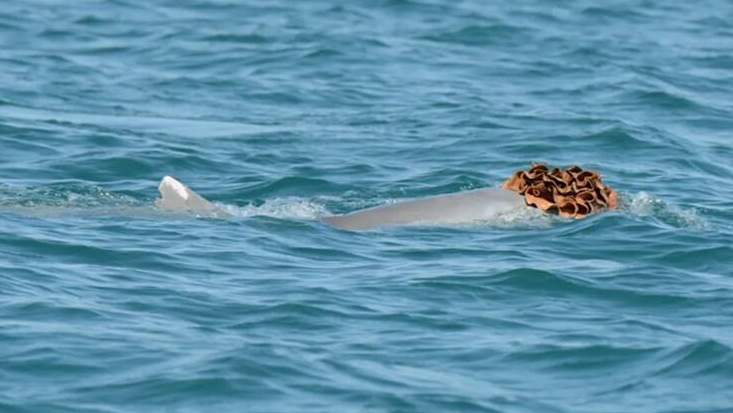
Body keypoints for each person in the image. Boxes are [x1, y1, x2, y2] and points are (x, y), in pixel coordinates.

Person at [157, 164, 619, 231]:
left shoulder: (498, 194)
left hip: (325, 223)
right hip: (334, 233)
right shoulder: (514, 213)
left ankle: (205, 217)